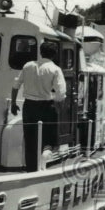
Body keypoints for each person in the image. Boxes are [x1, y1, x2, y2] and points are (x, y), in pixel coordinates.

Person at [10, 41, 66, 171]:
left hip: (28, 106)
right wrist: (58, 108)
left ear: (40, 52)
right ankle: (45, 157)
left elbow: (15, 86)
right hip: (46, 106)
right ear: (54, 54)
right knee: (48, 138)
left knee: (30, 138)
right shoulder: (55, 69)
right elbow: (61, 94)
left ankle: (31, 169)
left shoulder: (28, 66)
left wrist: (13, 103)